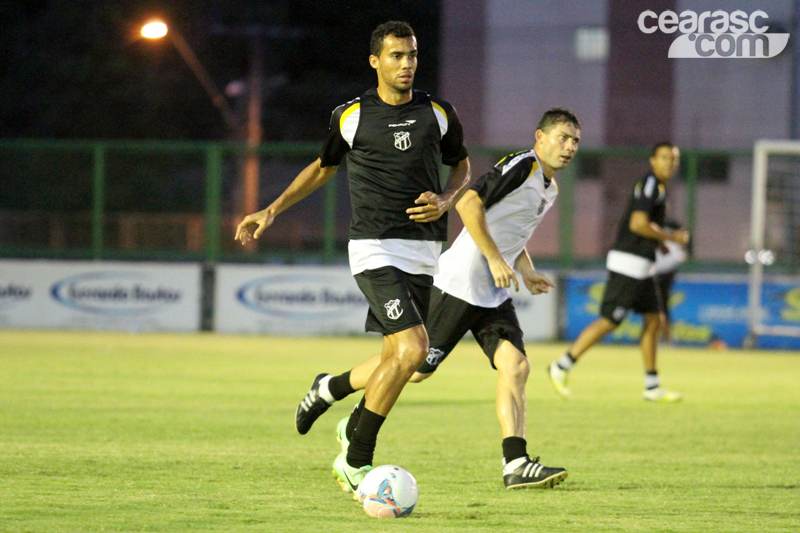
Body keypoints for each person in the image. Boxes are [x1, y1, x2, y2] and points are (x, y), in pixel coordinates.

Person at [235, 21, 471, 493]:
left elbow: (462, 165)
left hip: (425, 249)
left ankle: (329, 388)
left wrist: (448, 199)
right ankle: (356, 455)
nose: (407, 64)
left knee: (398, 360)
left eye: (412, 55)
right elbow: (323, 167)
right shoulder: (352, 115)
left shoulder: (439, 113)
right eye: (396, 56)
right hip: (374, 246)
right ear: (375, 61)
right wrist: (272, 209)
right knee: (414, 351)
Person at [295, 108, 581, 489]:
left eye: (575, 140)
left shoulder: (550, 187)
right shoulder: (521, 167)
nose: (569, 146)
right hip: (458, 285)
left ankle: (515, 463)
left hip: (492, 294)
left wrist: (524, 268)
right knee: (413, 369)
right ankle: (330, 387)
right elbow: (469, 204)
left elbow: (511, 228)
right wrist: (496, 259)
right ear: (539, 137)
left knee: (516, 367)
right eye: (562, 137)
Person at [547, 142, 690, 402]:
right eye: (665, 157)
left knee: (654, 319)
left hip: (643, 265)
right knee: (610, 321)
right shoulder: (650, 185)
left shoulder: (657, 188)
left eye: (674, 159)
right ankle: (561, 365)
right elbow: (638, 224)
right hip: (629, 263)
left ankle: (652, 385)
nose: (670, 163)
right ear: (653, 160)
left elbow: (645, 225)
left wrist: (658, 243)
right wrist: (671, 237)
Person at [653, 219, 688, 343]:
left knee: (661, 306)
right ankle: (658, 336)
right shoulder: (660, 231)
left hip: (664, 273)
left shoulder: (669, 232)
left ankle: (665, 336)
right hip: (655, 272)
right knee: (656, 307)